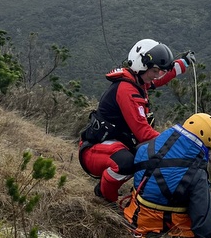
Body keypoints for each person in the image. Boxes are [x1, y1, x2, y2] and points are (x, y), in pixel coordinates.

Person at [78, 38, 196, 203]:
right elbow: (144, 133)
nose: (157, 75)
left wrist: (183, 63)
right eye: (155, 71)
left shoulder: (138, 81)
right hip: (94, 152)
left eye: (159, 71)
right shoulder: (127, 90)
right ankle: (106, 196)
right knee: (128, 163)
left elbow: (162, 77)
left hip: (111, 144)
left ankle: (110, 186)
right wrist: (178, 143)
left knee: (142, 156)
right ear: (142, 66)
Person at [121, 113, 211, 238]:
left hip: (132, 214)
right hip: (159, 228)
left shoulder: (147, 146)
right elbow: (202, 221)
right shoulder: (196, 173)